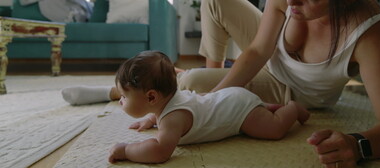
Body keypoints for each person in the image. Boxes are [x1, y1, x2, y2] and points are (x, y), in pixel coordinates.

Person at [63, 0, 380, 167]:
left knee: (189, 86)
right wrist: (211, 102)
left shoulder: (368, 34)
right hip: (270, 62)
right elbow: (257, 51)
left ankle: (144, 87)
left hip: (291, 91)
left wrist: (359, 144)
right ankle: (120, 90)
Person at [108, 50, 310, 164]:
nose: (121, 101)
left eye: (125, 96)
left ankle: (292, 108)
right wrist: (149, 119)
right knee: (260, 111)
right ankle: (266, 107)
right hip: (227, 98)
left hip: (238, 111)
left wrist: (126, 150)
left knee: (273, 129)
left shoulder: (172, 119)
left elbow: (160, 151)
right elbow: (159, 113)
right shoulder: (169, 102)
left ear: (152, 97)